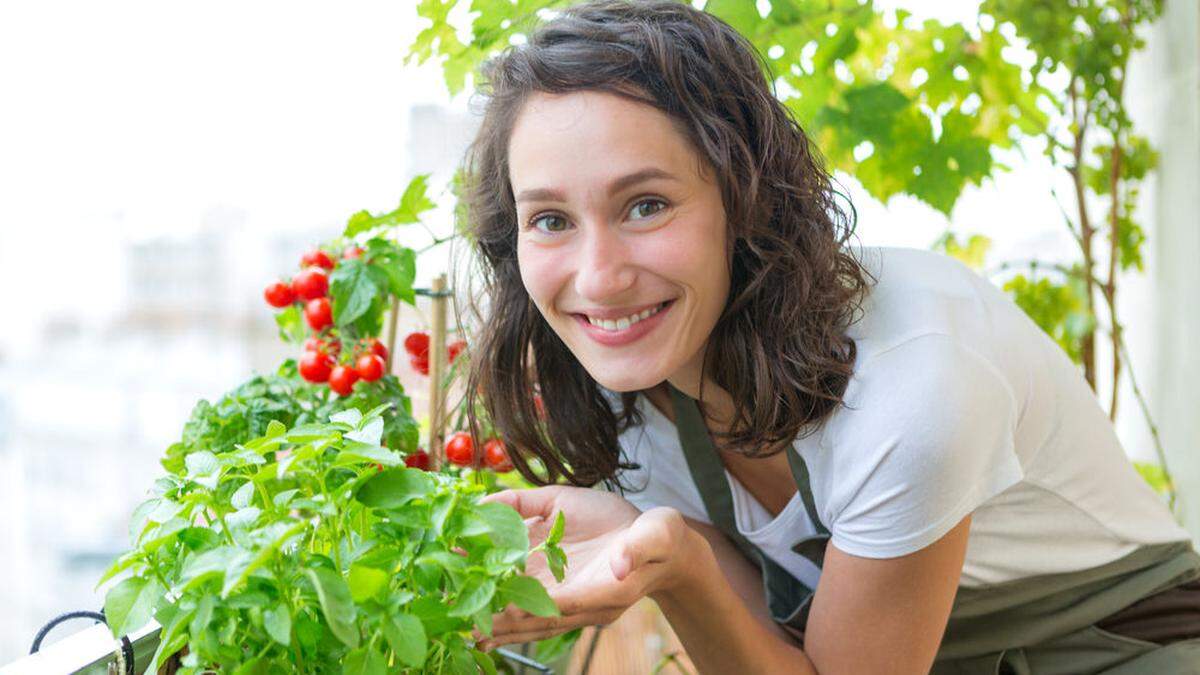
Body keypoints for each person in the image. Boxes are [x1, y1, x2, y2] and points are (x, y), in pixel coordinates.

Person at [453, 1, 1200, 672]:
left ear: (743, 199)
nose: (599, 276)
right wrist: (662, 545)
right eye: (550, 219)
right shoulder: (640, 385)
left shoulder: (913, 388)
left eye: (646, 205)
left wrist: (679, 559)